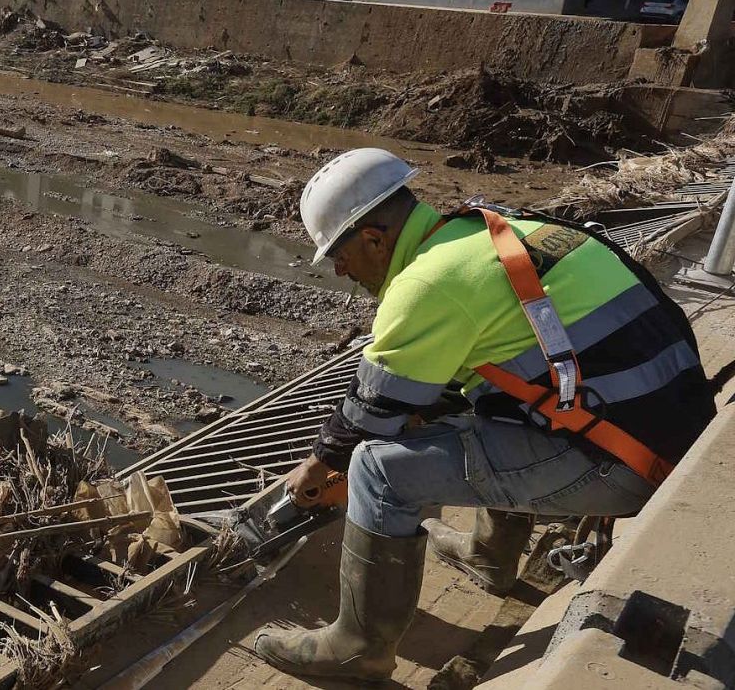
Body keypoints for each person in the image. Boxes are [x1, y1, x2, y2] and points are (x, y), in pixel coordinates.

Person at [252, 148, 715, 682]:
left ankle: (359, 647)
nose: (340, 270)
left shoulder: (426, 283)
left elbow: (371, 415)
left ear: (374, 238)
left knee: (377, 473)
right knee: (481, 406)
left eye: (340, 255)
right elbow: (466, 385)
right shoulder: (500, 230)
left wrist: (316, 464)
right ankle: (488, 557)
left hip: (626, 464)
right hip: (671, 433)